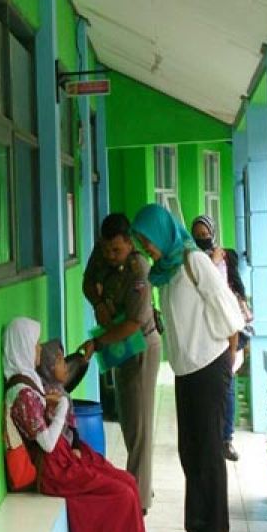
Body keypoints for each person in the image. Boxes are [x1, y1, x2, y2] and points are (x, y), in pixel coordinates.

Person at [132, 205, 243, 532]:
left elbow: (227, 306)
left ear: (163, 233)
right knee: (190, 453)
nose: (147, 248)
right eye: (143, 243)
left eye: (149, 241)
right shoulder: (165, 273)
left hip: (209, 366)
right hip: (185, 370)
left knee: (210, 453)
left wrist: (228, 356)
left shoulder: (194, 262)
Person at [3, 318, 149, 532]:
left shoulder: (29, 382)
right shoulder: (20, 393)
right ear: (21, 347)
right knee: (119, 494)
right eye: (33, 345)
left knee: (128, 482)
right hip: (52, 469)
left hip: (62, 458)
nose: (38, 351)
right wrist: (62, 408)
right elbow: (45, 443)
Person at [82, 212, 161, 514]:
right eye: (106, 249)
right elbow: (88, 283)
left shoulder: (139, 267)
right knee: (129, 422)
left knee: (140, 428)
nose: (110, 255)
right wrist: (99, 303)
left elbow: (133, 322)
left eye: (117, 250)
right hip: (118, 342)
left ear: (129, 243)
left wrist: (98, 342)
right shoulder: (102, 253)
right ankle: (141, 486)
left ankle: (138, 503)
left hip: (140, 345)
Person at [190, 215, 249, 461]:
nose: (203, 238)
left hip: (230, 326)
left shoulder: (227, 257)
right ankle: (208, 436)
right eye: (198, 235)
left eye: (206, 234)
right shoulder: (193, 261)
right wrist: (209, 262)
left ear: (213, 233)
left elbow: (235, 289)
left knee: (228, 386)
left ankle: (226, 439)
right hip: (206, 329)